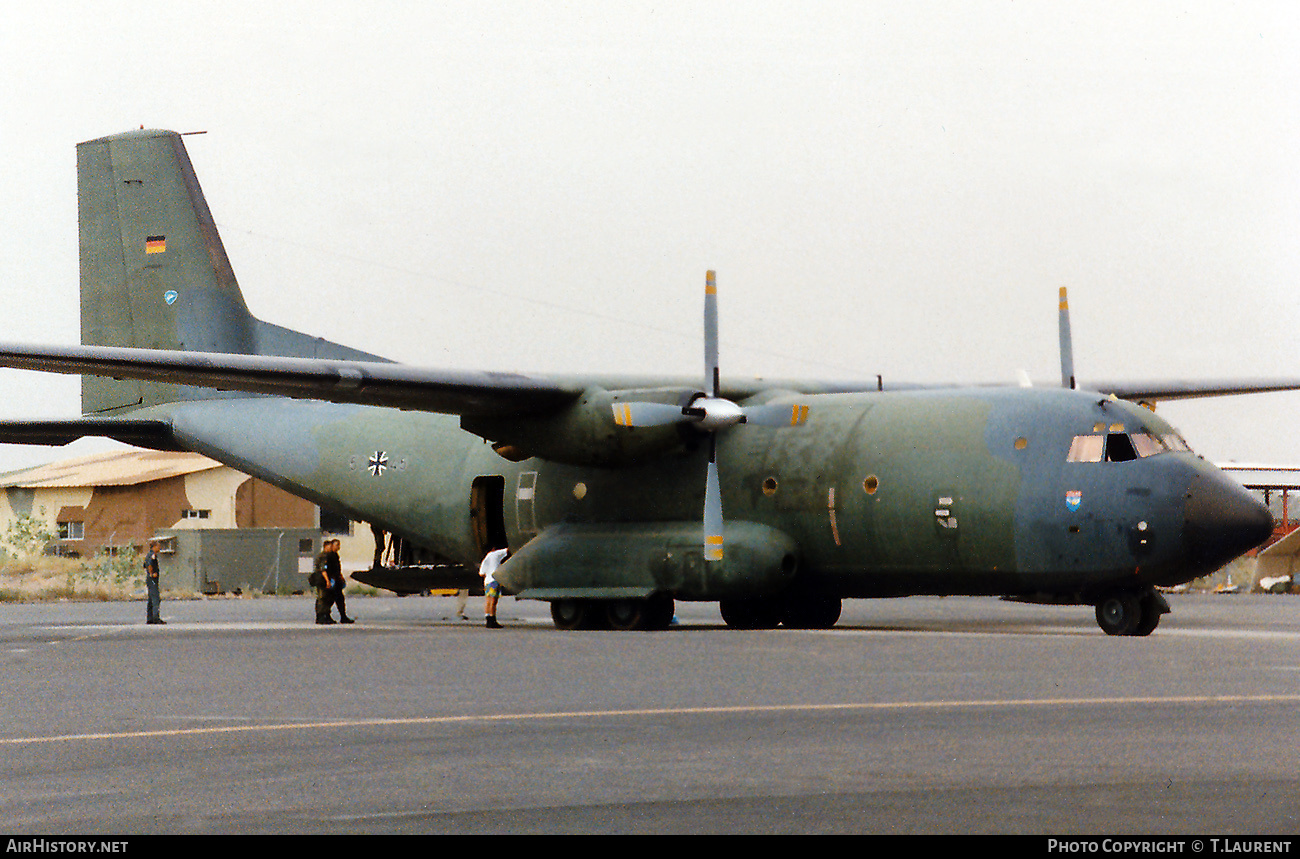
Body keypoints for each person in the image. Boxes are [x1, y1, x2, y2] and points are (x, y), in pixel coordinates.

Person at [479, 545, 509, 629]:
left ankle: (488, 619)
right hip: (494, 580)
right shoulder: (495, 554)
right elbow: (508, 550)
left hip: (487, 581)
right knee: (494, 601)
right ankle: (493, 619)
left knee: (488, 601)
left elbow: (481, 573)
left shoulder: (486, 558)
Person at [326, 539, 354, 624]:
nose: (338, 547)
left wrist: (340, 577)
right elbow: (327, 569)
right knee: (329, 600)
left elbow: (337, 568)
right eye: (337, 545)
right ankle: (325, 616)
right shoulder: (329, 555)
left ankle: (343, 616)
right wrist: (329, 580)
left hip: (337, 580)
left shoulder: (335, 555)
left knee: (340, 599)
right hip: (332, 580)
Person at [143, 540, 165, 625]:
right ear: (154, 547)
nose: (159, 548)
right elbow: (149, 564)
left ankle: (150, 618)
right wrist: (152, 573)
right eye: (158, 546)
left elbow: (144, 565)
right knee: (156, 598)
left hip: (149, 579)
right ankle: (156, 618)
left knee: (151, 599)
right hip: (152, 579)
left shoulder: (148, 555)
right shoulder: (152, 555)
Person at [312, 539, 333, 624]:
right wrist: (327, 581)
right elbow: (323, 570)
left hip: (323, 579)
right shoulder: (323, 556)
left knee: (326, 598)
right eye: (330, 547)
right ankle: (320, 617)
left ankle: (325, 616)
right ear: (325, 547)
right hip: (321, 580)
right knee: (322, 598)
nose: (331, 548)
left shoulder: (328, 555)